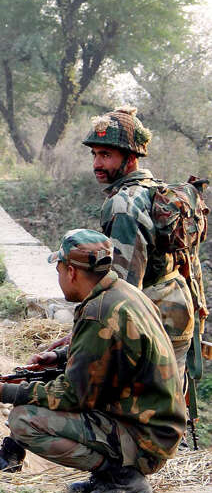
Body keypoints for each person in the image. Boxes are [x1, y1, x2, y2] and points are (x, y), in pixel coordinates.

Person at [0, 229, 186, 493]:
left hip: (146, 440)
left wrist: (8, 392)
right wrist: (60, 356)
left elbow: (73, 396)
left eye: (59, 269)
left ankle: (123, 478)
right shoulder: (123, 293)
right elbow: (108, 348)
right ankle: (95, 474)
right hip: (153, 427)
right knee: (40, 393)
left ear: (72, 272)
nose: (59, 276)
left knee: (24, 419)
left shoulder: (99, 312)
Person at [82, 107, 197, 381]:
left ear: (131, 158)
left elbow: (122, 289)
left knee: (144, 402)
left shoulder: (124, 204)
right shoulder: (154, 188)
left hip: (154, 320)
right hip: (175, 310)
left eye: (106, 155)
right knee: (170, 397)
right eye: (94, 154)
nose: (97, 164)